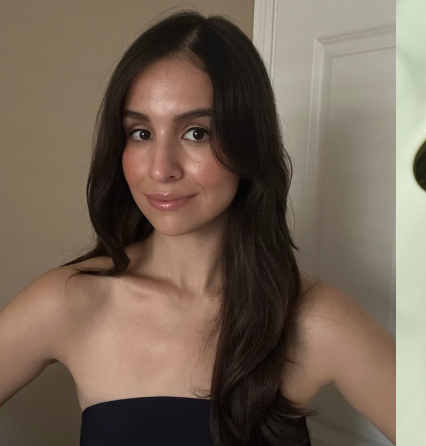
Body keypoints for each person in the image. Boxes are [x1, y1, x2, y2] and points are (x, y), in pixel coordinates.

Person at [0, 10, 395, 446]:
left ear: (248, 143)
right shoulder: (73, 301)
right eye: (141, 133)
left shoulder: (312, 319)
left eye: (196, 133)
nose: (161, 168)